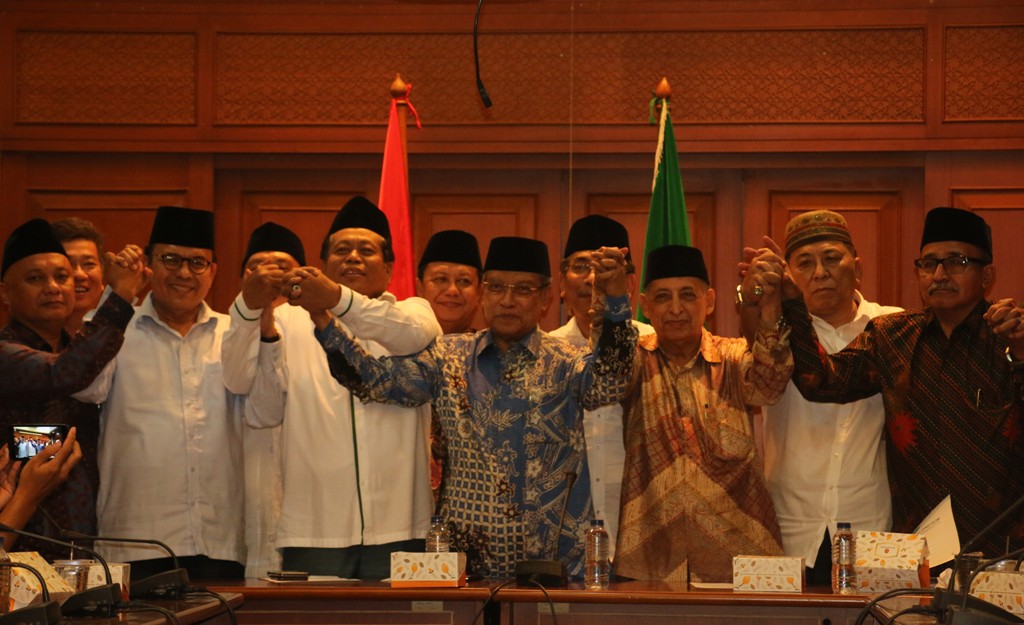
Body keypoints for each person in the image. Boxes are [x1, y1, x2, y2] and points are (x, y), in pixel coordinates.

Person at [289, 236, 637, 578]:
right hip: (463, 563)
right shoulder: (447, 356)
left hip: (552, 560)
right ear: (483, 295)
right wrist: (322, 318)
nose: (508, 300)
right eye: (497, 288)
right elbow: (375, 381)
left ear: (545, 298)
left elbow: (609, 383)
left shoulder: (568, 362)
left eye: (523, 290)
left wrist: (617, 299)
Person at [778, 206, 1024, 560]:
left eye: (956, 262)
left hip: (1006, 549)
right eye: (928, 263)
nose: (940, 274)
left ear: (987, 276)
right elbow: (821, 382)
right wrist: (791, 303)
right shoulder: (893, 336)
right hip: (919, 551)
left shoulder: (1010, 334)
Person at [224, 197, 441, 580]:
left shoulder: (414, 313)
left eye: (366, 251)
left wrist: (336, 300)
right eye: (341, 250)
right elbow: (245, 389)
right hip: (314, 526)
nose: (353, 257)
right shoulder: (289, 322)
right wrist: (250, 310)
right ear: (322, 266)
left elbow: (411, 336)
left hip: (403, 526)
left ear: (389, 268)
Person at [615, 244, 790, 583]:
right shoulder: (633, 361)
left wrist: (767, 301)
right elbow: (606, 375)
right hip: (651, 555)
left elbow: (769, 385)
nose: (676, 308)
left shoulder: (734, 356)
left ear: (709, 302)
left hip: (740, 555)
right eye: (663, 297)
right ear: (646, 306)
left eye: (688, 296)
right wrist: (609, 297)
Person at [749, 210, 902, 586]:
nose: (820, 272)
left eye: (832, 258)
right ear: (789, 276)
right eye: (805, 262)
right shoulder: (775, 334)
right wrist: (755, 294)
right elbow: (757, 368)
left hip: (871, 526)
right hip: (789, 527)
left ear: (857, 267)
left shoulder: (893, 328)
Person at [95, 205, 246, 581]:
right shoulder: (113, 328)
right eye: (170, 259)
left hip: (219, 540)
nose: (183, 273)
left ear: (214, 270)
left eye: (197, 262)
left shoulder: (234, 335)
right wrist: (116, 296)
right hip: (134, 541)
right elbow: (86, 387)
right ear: (147, 264)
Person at [0, 217, 144, 558]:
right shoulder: (7, 353)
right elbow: (65, 374)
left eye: (61, 277)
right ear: (5, 292)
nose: (53, 287)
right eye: (35, 278)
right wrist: (120, 294)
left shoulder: (81, 352)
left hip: (83, 548)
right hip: (17, 546)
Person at [549, 214, 653, 558]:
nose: (593, 278)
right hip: (560, 523)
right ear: (561, 284)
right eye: (581, 265)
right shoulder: (545, 352)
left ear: (629, 282)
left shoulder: (655, 344)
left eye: (606, 266)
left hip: (643, 515)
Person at [218, 222, 306, 577]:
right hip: (244, 486)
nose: (268, 274)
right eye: (256, 266)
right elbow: (238, 382)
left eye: (281, 266)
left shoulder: (321, 332)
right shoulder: (224, 329)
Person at [414, 229, 483, 504]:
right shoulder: (397, 353)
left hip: (471, 507)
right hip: (401, 503)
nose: (452, 290)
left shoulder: (490, 359)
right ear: (420, 287)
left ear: (480, 291)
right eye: (440, 279)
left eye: (464, 281)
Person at [51, 218, 107, 333]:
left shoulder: (127, 332)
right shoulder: (23, 343)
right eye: (68, 264)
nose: (79, 274)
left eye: (89, 264)